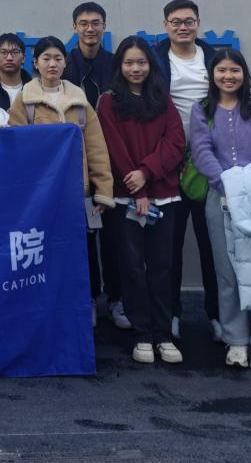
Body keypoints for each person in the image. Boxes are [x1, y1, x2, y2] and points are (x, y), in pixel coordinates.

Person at [8, 36, 114, 328]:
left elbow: (96, 149)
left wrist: (103, 191)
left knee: (82, 250)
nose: (52, 64)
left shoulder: (80, 102)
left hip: (77, 192)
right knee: (45, 250)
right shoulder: (25, 101)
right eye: (46, 59)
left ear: (65, 63)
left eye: (57, 58)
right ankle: (49, 304)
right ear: (35, 63)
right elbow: (15, 149)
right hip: (40, 196)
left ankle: (86, 301)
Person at [189, 48, 251, 371]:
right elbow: (202, 152)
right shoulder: (202, 110)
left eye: (234, 70)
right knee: (227, 273)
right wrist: (227, 186)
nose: (228, 76)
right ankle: (236, 339)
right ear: (212, 75)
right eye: (221, 70)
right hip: (220, 201)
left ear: (244, 73)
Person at [96, 36, 186, 364]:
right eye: (129, 63)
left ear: (151, 65)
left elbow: (175, 143)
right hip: (126, 199)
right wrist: (138, 189)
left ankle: (164, 334)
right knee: (132, 268)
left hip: (164, 195)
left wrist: (147, 173)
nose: (136, 68)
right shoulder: (108, 102)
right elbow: (112, 148)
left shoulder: (163, 99)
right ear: (119, 66)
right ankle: (142, 334)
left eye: (142, 62)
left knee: (162, 267)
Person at [152, 0, 222, 343]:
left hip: (209, 163)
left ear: (198, 23)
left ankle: (218, 315)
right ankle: (172, 314)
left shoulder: (214, 57)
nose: (183, 27)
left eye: (189, 21)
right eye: (176, 21)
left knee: (213, 245)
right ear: (165, 25)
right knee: (169, 247)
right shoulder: (154, 59)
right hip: (169, 163)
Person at [62, 2, 123, 329]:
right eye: (83, 23)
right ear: (74, 27)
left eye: (96, 23)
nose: (90, 28)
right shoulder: (64, 65)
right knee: (82, 237)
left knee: (114, 236)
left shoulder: (116, 64)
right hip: (75, 164)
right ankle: (88, 297)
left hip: (114, 160)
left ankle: (117, 298)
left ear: (104, 26)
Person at [0, 32, 31, 109]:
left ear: (24, 58)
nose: (9, 58)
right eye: (3, 52)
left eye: (15, 52)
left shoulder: (36, 89)